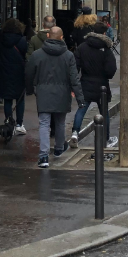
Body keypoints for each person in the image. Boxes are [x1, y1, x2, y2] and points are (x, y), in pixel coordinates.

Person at [25, 26, 84, 168]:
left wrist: (29, 89)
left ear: (48, 36)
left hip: (43, 92)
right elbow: (74, 78)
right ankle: (58, 149)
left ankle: (44, 156)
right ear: (62, 38)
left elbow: (28, 73)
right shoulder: (68, 55)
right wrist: (80, 98)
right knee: (60, 122)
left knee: (44, 123)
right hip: (62, 93)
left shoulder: (37, 54)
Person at [70, 19, 118, 148]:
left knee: (81, 109)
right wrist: (107, 76)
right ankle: (106, 139)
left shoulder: (82, 46)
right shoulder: (106, 48)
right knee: (104, 113)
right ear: (104, 32)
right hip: (102, 84)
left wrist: (75, 83)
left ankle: (75, 133)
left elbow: (75, 66)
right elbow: (111, 68)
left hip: (86, 82)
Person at [0, 18, 29, 135]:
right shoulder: (23, 41)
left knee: (7, 99)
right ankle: (19, 124)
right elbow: (26, 56)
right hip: (19, 73)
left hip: (4, 72)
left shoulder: (0, 40)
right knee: (20, 100)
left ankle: (9, 123)